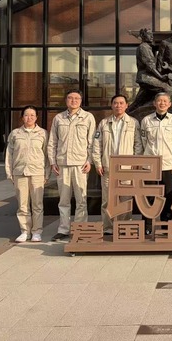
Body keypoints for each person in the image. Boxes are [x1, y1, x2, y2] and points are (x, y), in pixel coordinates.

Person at [48, 89, 96, 241]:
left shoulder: (88, 117)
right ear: (66, 100)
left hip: (80, 165)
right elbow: (52, 142)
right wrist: (52, 161)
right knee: (64, 200)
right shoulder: (58, 118)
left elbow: (92, 142)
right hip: (62, 164)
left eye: (76, 98)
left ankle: (80, 229)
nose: (73, 101)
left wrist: (89, 161)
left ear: (81, 101)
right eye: (70, 98)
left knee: (81, 199)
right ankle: (64, 229)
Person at [92, 94, 143, 235]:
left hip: (127, 169)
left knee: (125, 199)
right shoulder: (104, 123)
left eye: (121, 103)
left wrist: (135, 163)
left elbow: (138, 144)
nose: (118, 105)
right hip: (108, 168)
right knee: (108, 200)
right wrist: (98, 163)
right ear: (111, 105)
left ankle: (124, 227)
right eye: (115, 103)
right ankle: (108, 227)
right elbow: (97, 145)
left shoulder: (133, 123)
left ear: (126, 105)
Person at [5, 106, 50, 243]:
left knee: (37, 204)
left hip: (37, 173)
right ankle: (24, 231)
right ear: (22, 117)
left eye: (32, 115)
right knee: (22, 204)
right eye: (26, 115)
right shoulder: (15, 133)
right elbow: (9, 155)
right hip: (20, 172)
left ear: (36, 117)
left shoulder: (43, 134)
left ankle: (37, 231)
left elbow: (47, 156)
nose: (29, 118)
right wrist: (9, 173)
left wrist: (46, 174)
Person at [140, 92, 172, 233]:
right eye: (159, 101)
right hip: (150, 165)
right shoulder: (146, 120)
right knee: (148, 196)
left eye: (165, 101)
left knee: (169, 195)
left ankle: (166, 225)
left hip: (168, 164)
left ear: (169, 104)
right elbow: (144, 141)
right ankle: (147, 226)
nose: (162, 103)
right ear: (154, 103)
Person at [129, 28, 172, 111]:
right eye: (149, 35)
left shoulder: (147, 47)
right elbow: (150, 66)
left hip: (147, 77)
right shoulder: (143, 47)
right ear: (143, 36)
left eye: (152, 35)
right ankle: (154, 109)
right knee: (169, 90)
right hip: (146, 78)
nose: (151, 37)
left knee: (140, 100)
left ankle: (130, 112)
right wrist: (161, 77)